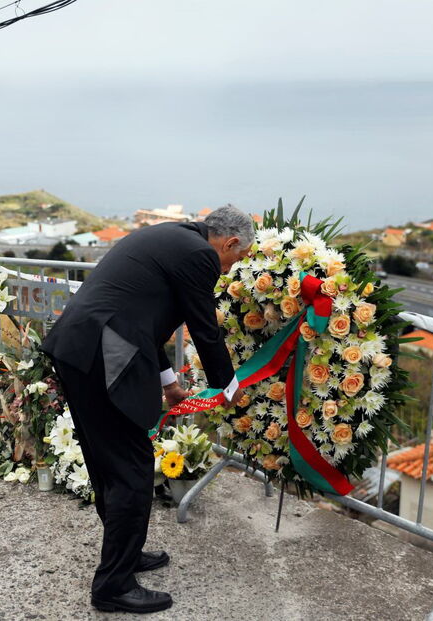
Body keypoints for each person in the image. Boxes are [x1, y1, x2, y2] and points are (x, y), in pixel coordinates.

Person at [41, 206, 254, 613]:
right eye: (237, 257)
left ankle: (126, 553)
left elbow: (141, 317)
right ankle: (113, 585)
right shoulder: (200, 256)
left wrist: (170, 385)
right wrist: (228, 387)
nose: (230, 268)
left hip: (79, 348)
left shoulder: (171, 236)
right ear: (228, 243)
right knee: (131, 469)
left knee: (110, 465)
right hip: (101, 357)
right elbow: (204, 326)